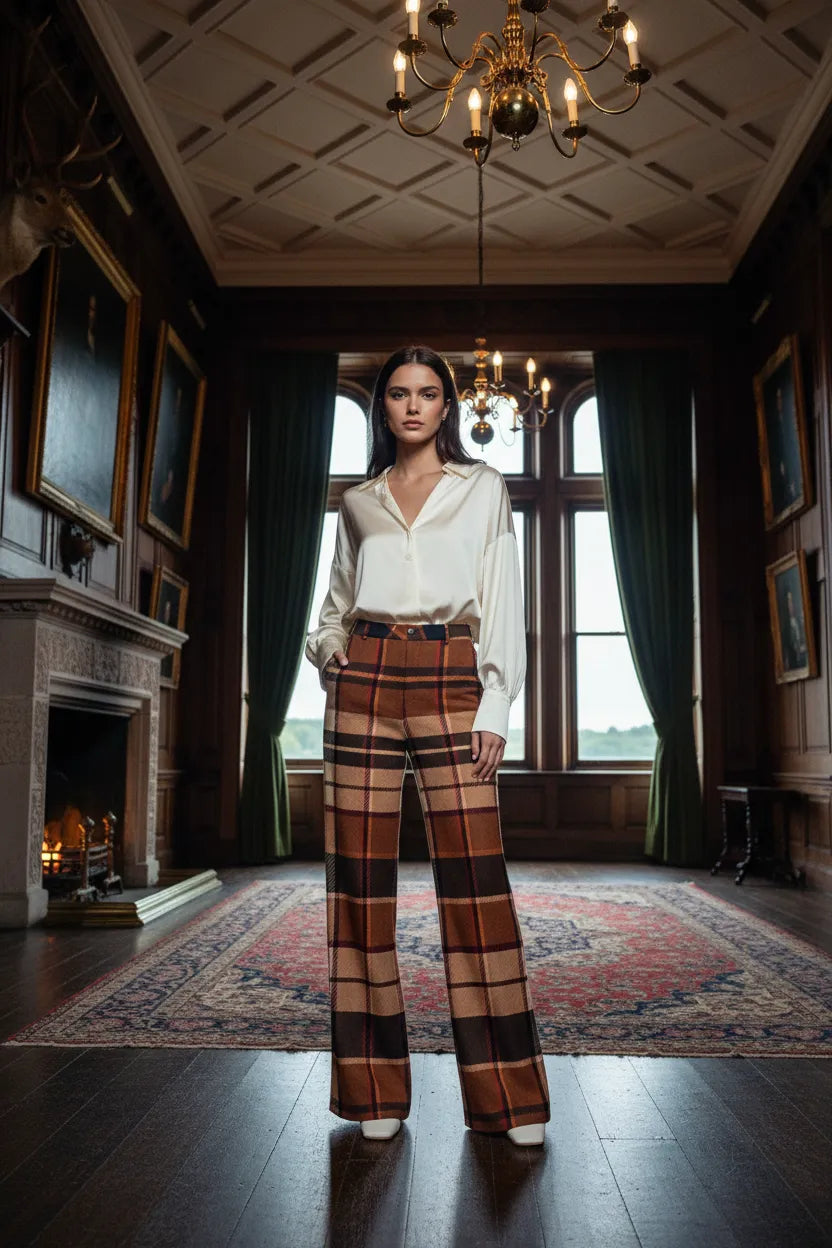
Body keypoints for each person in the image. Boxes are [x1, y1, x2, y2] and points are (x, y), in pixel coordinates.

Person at [305, 345, 550, 1147]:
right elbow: (336, 600)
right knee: (359, 891)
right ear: (384, 407)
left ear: (448, 408)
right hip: (364, 682)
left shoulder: (482, 489)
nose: (414, 407)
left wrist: (497, 701)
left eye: (429, 394)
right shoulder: (359, 499)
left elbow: (504, 593)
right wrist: (329, 646)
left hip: (454, 676)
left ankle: (509, 1101)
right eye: (400, 394)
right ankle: (373, 1092)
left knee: (476, 885)